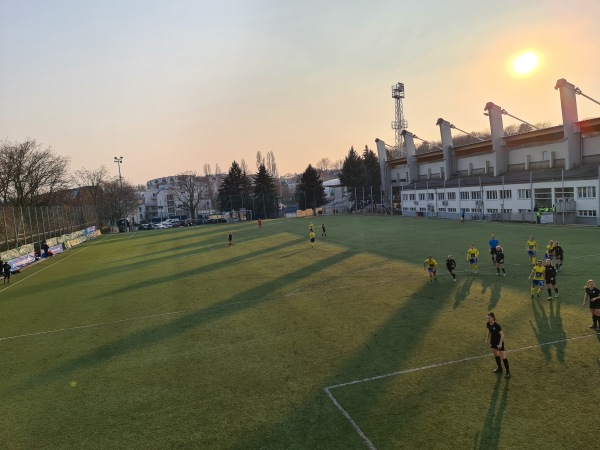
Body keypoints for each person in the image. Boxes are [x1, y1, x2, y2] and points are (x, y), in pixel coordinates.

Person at [486, 312, 511, 379]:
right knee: (496, 354)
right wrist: (487, 339)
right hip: (493, 342)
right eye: (487, 318)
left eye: (489, 318)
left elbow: (502, 335)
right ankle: (499, 368)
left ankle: (508, 372)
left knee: (503, 357)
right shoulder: (488, 324)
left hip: (499, 343)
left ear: (493, 318)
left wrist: (500, 344)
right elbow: (489, 331)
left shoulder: (497, 326)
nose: (488, 319)